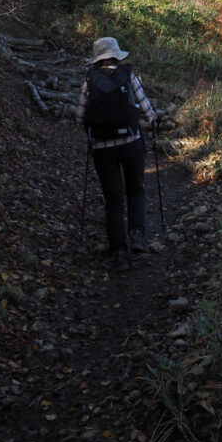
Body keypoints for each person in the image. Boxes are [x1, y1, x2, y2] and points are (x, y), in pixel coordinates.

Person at [75, 37, 155, 271]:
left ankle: (119, 252)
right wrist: (152, 118)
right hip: (131, 142)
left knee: (113, 200)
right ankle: (137, 235)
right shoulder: (128, 75)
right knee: (136, 189)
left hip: (102, 148)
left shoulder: (90, 81)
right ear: (116, 56)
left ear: (98, 59)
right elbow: (145, 108)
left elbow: (80, 116)